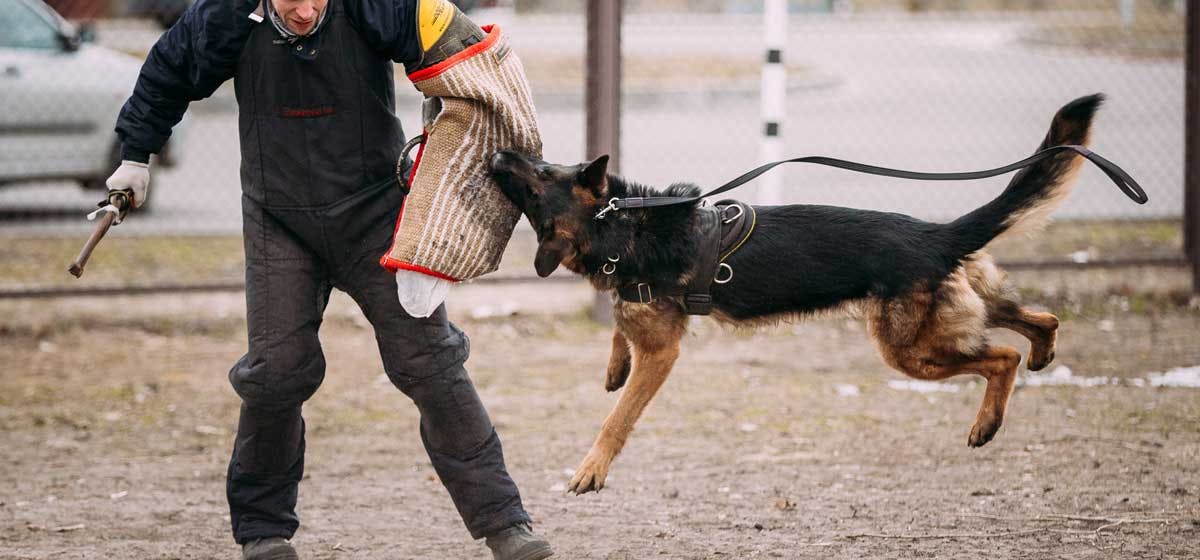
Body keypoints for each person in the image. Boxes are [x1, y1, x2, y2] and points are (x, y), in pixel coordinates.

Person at [105, 1, 553, 558]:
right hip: (278, 219)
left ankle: (505, 524)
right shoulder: (225, 14)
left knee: (431, 361)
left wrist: (461, 115)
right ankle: (264, 532)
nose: (305, 9)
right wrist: (136, 154)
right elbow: (167, 70)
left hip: (376, 217)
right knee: (276, 373)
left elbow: (462, 51)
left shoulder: (376, 4)